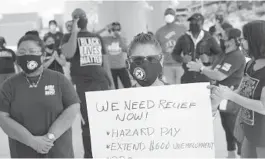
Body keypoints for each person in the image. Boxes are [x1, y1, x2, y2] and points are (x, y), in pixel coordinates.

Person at [0, 34, 80, 158]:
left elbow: (72, 108)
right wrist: (32, 141)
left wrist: (49, 137)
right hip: (23, 152)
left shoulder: (59, 79)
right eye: (22, 52)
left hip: (58, 151)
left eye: (32, 51)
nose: (27, 55)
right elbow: (3, 118)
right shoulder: (9, 85)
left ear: (42, 56)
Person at [61, 8, 114, 158]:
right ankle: (89, 155)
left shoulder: (96, 37)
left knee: (104, 120)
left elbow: (105, 62)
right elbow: (68, 53)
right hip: (83, 85)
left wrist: (111, 84)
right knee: (87, 123)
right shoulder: (67, 37)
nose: (79, 19)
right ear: (73, 20)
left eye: (81, 16)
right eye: (76, 17)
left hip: (101, 82)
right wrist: (74, 31)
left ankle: (106, 151)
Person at [127, 32, 220, 116]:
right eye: (138, 59)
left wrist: (212, 107)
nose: (146, 65)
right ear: (128, 63)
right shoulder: (119, 104)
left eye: (152, 59)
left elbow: (194, 126)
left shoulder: (178, 98)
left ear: (161, 60)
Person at [209, 20, 265, 158]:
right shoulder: (250, 64)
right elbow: (241, 90)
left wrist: (231, 96)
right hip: (249, 132)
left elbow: (263, 106)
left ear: (256, 40)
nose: (241, 43)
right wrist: (222, 93)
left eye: (244, 39)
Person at [187, 28, 246, 158]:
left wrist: (201, 69)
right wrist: (202, 67)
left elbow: (219, 75)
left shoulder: (236, 56)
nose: (221, 39)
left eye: (224, 37)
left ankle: (243, 155)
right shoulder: (224, 54)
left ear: (232, 40)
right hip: (220, 97)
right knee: (226, 127)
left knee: (234, 128)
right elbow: (213, 69)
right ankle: (231, 154)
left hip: (231, 98)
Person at [172, 13, 223, 84]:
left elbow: (220, 55)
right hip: (187, 79)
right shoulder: (183, 38)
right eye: (191, 22)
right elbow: (174, 54)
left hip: (205, 79)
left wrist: (209, 59)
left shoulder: (209, 38)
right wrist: (182, 59)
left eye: (196, 22)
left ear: (202, 24)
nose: (193, 24)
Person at [155, 8, 186, 84]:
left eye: (170, 14)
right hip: (167, 65)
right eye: (166, 14)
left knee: (182, 87)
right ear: (164, 17)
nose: (168, 16)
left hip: (181, 64)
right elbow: (156, 49)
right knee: (170, 89)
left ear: (175, 16)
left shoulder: (183, 29)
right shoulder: (159, 32)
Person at [102, 22, 131, 89]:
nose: (116, 31)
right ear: (110, 30)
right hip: (110, 68)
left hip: (122, 67)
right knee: (114, 89)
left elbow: (126, 50)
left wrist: (119, 37)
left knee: (128, 87)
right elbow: (94, 35)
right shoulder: (105, 39)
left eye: (118, 30)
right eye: (114, 30)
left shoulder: (122, 39)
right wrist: (104, 29)